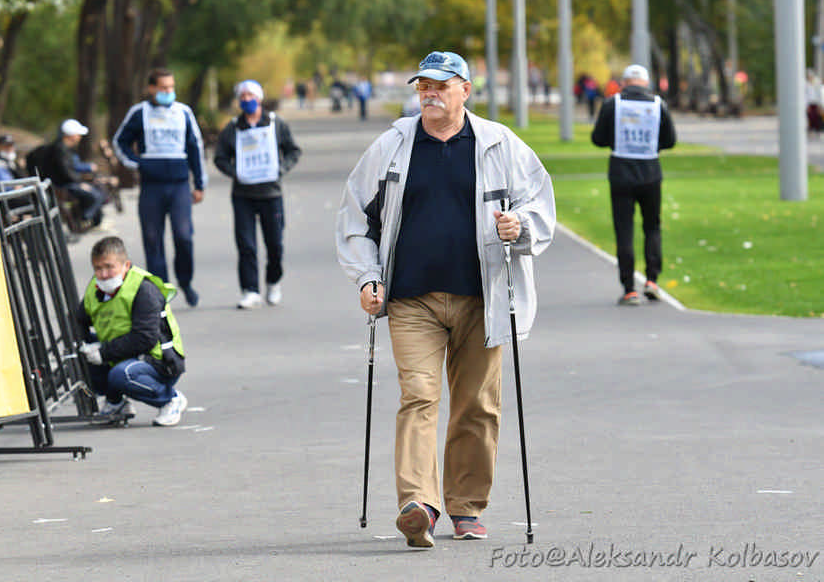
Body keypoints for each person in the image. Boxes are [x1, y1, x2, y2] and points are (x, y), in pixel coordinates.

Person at [336, 50, 556, 548]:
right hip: (413, 299)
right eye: (422, 87)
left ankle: (466, 507)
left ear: (465, 90)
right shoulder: (392, 145)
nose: (429, 94)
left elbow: (540, 205)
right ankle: (419, 504)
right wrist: (368, 277)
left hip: (484, 297)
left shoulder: (500, 144)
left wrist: (519, 226)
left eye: (439, 85)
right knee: (419, 396)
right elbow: (355, 218)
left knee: (478, 405)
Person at [113, 67, 207, 307]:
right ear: (151, 88)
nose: (168, 92)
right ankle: (161, 291)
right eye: (163, 88)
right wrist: (136, 163)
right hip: (151, 187)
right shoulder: (139, 113)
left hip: (179, 187)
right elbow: (119, 141)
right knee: (153, 240)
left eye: (171, 87)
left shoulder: (183, 112)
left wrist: (199, 183)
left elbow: (195, 147)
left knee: (184, 237)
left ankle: (185, 282)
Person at [76, 236, 188, 426]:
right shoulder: (95, 289)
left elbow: (145, 338)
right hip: (125, 353)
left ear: (126, 265)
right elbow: (79, 320)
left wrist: (102, 352)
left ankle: (170, 399)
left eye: (109, 267)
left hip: (159, 360)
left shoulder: (144, 289)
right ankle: (116, 402)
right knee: (78, 356)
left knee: (121, 374)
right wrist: (84, 346)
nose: (103, 274)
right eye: (98, 268)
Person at [590, 64, 677, 305]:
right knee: (652, 226)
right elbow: (670, 140)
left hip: (620, 173)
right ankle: (652, 280)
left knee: (624, 229)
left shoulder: (612, 104)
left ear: (625, 82)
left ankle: (629, 289)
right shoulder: (658, 105)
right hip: (650, 173)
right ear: (647, 83)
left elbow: (597, 138)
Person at [213, 80, 302, 309]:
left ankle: (273, 281)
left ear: (259, 98)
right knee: (246, 244)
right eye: (242, 96)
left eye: (250, 95)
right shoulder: (232, 128)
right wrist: (235, 172)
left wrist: (280, 169)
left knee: (275, 244)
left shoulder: (275, 124)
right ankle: (250, 290)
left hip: (271, 194)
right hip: (243, 194)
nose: (246, 100)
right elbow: (219, 157)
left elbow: (293, 150)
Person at [28, 119, 106, 228]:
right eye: (78, 134)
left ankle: (88, 220)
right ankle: (85, 220)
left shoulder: (63, 148)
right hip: (63, 185)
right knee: (95, 195)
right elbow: (65, 172)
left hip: (66, 183)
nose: (79, 137)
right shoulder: (60, 149)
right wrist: (80, 183)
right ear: (71, 135)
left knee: (98, 191)